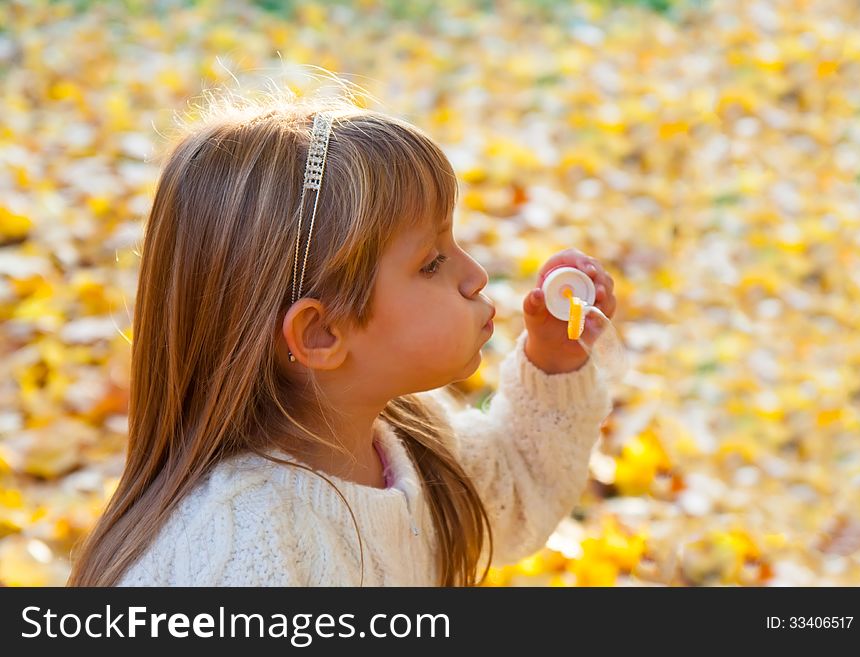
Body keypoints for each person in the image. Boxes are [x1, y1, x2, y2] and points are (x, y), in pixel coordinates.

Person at [66, 85, 617, 587]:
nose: (475, 276)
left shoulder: (409, 438)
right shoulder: (242, 551)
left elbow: (518, 492)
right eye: (432, 262)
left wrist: (555, 359)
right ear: (322, 333)